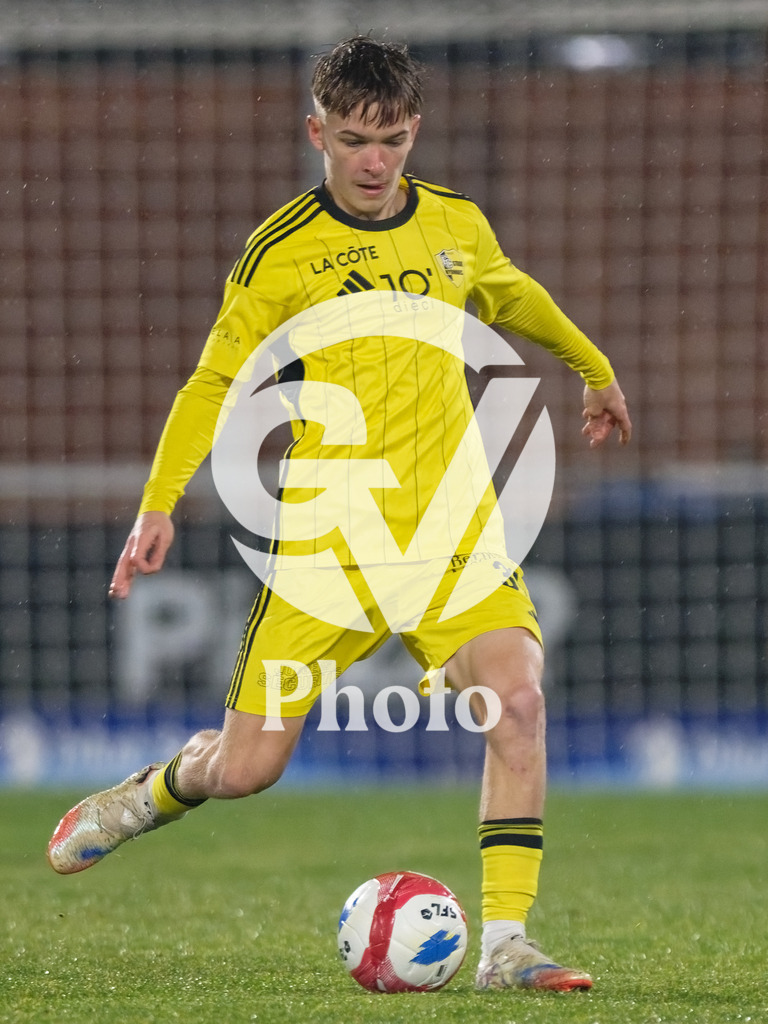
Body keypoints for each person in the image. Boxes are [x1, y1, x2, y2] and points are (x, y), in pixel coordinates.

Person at [47, 36, 631, 992]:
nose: (374, 162)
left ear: (414, 132)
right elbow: (212, 381)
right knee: (245, 772)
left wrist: (594, 369)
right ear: (317, 131)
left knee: (519, 704)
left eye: (392, 140)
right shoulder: (281, 252)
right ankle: (148, 795)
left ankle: (506, 946)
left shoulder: (453, 223)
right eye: (355, 140)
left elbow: (508, 289)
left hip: (453, 536)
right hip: (328, 547)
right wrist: (158, 503)